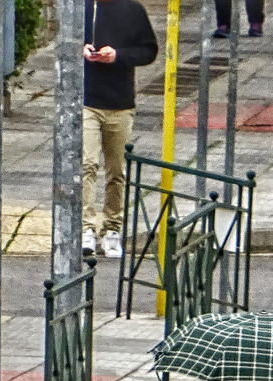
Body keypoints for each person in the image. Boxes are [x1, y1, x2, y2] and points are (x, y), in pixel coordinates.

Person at [82, 0, 158, 259]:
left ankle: (112, 229)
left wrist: (118, 56)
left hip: (119, 103)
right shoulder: (84, 9)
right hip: (87, 101)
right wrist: (82, 50)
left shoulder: (132, 9)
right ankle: (86, 228)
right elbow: (67, 43)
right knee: (87, 164)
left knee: (116, 170)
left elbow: (148, 50)